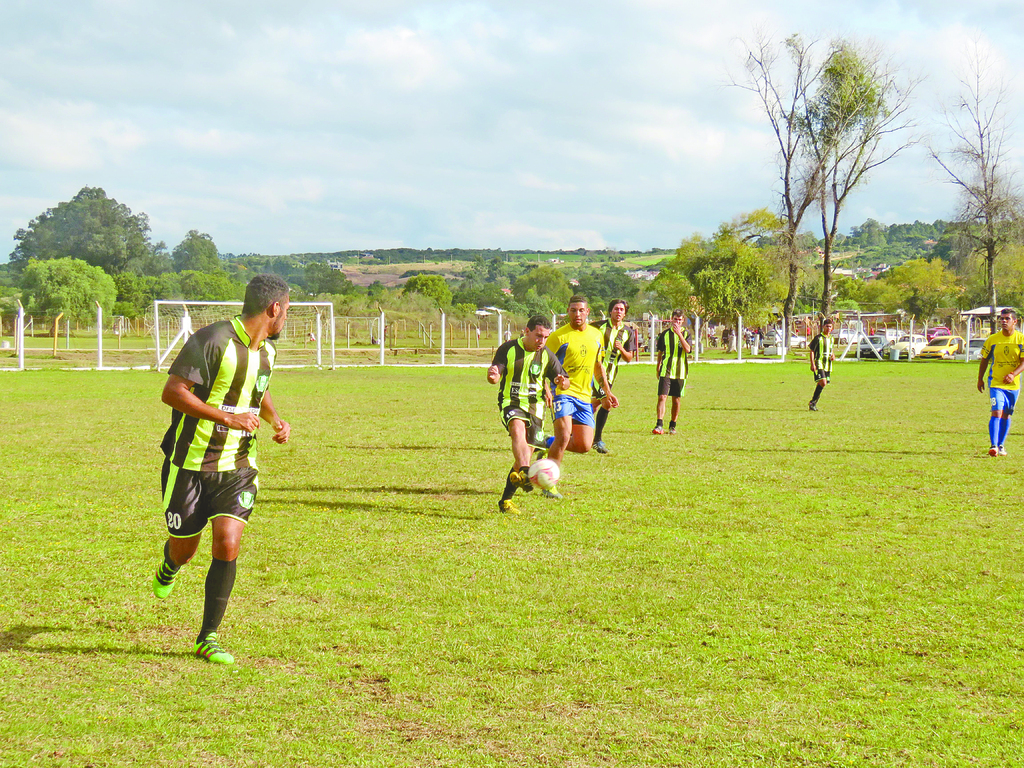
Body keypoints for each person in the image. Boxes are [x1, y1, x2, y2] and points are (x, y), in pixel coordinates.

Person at [150, 274, 292, 665]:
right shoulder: (211, 339)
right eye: (287, 310)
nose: (286, 319)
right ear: (274, 308)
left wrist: (276, 419)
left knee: (228, 542)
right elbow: (172, 392)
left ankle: (207, 637)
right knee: (185, 548)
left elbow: (255, 390)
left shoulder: (267, 351)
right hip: (190, 462)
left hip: (238, 465)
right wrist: (225, 419)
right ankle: (170, 563)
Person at [487, 315, 569, 513]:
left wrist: (560, 382)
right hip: (511, 401)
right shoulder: (508, 348)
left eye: (546, 337)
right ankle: (525, 471)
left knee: (522, 455)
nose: (541, 341)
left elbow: (565, 380)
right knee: (517, 429)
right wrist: (493, 375)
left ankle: (505, 501)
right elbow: (495, 373)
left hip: (536, 408)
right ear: (527, 331)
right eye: (538, 336)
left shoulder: (548, 355)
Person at [544, 295, 619, 497]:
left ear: (587, 312)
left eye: (581, 310)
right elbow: (541, 364)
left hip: (584, 396)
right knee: (563, 436)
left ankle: (546, 442)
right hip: (562, 393)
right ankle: (549, 485)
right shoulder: (557, 337)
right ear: (567, 311)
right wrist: (545, 389)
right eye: (573, 310)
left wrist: (606, 392)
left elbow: (598, 366)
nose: (577, 314)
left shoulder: (596, 335)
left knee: (585, 445)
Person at [590, 299, 638, 454]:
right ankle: (597, 440)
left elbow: (629, 358)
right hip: (593, 371)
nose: (619, 312)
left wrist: (621, 349)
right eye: (616, 309)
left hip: (609, 375)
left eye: (622, 310)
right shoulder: (598, 326)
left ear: (625, 313)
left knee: (593, 405)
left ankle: (575, 431)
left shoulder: (628, 332)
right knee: (606, 403)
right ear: (610, 311)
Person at [977, 308, 1024, 456]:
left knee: (1006, 414)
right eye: (1001, 319)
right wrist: (980, 379)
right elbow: (984, 360)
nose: (1003, 321)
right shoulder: (993, 339)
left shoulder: (1021, 339)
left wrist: (1013, 374)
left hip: (1013, 385)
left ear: (1014, 321)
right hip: (996, 383)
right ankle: (993, 446)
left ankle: (1001, 445)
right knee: (996, 412)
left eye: (1007, 319)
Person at [652, 309, 691, 435]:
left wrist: (679, 334)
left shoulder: (686, 334)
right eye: (675, 319)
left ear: (683, 321)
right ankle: (659, 425)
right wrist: (658, 366)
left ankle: (672, 425)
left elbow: (688, 349)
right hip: (666, 370)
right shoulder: (664, 334)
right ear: (671, 319)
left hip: (680, 371)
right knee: (662, 396)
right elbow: (660, 352)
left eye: (680, 320)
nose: (677, 322)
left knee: (676, 399)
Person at [808, 317, 835, 411]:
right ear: (823, 327)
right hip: (819, 363)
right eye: (827, 326)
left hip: (828, 364)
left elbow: (831, 350)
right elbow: (812, 351)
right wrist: (812, 364)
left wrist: (833, 355)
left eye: (830, 327)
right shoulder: (818, 338)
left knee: (822, 383)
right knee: (823, 382)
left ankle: (813, 403)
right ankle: (813, 402)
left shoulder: (831, 338)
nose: (829, 328)